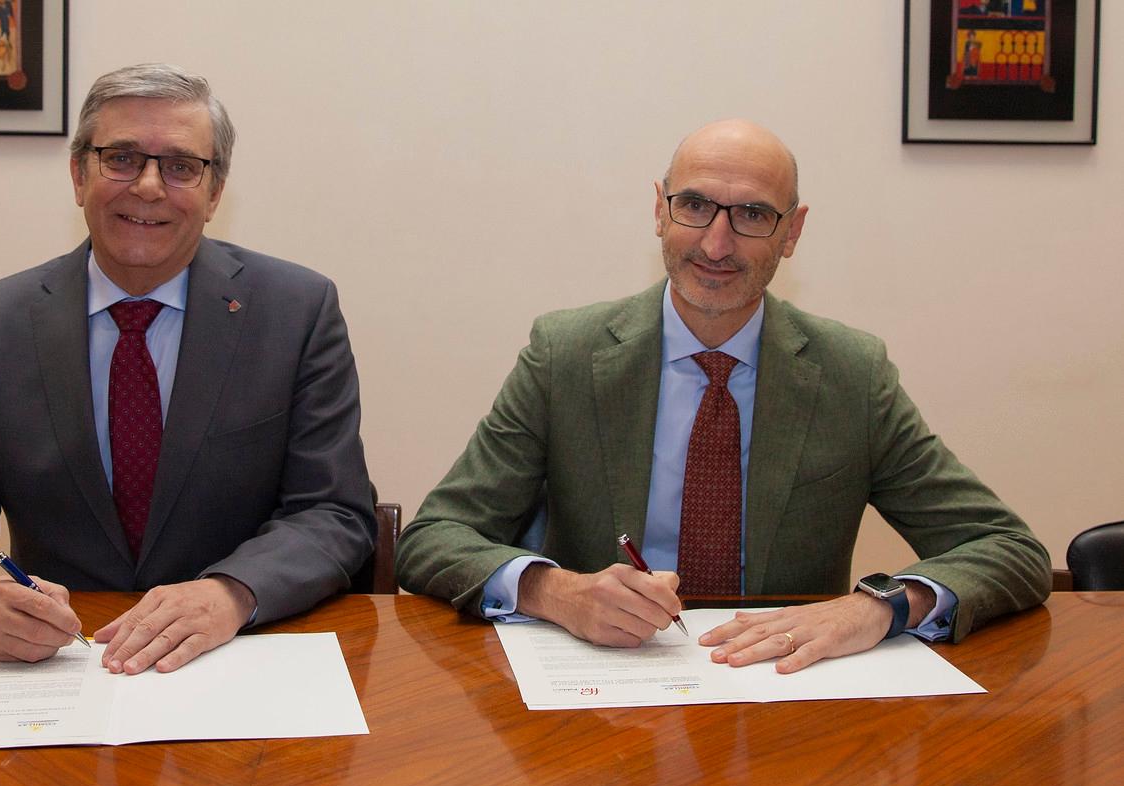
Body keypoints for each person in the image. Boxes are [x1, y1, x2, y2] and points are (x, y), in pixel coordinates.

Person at [396, 119, 1050, 673]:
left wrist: (880, 603)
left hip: (783, 693)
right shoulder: (565, 355)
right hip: (604, 700)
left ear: (791, 232)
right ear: (659, 209)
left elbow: (1011, 550)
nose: (715, 242)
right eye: (694, 205)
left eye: (752, 215)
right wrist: (555, 591)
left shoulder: (851, 374)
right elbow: (433, 537)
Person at [0, 64, 375, 674]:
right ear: (78, 174)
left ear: (215, 192)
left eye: (180, 166)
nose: (147, 186)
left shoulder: (297, 311)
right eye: (120, 158)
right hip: (60, 661)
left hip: (239, 658)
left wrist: (232, 592)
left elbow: (333, 511)